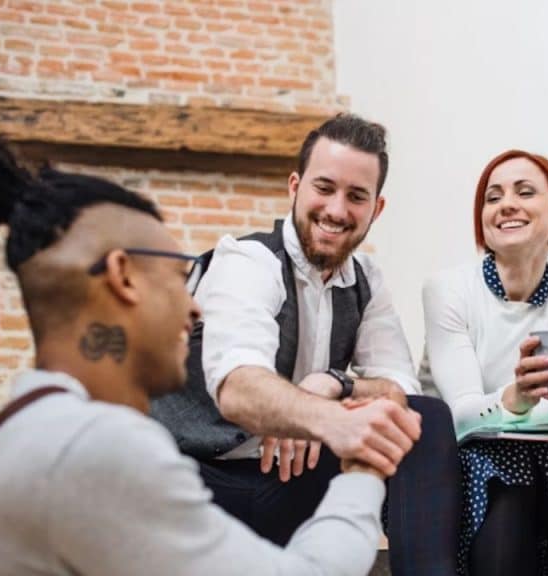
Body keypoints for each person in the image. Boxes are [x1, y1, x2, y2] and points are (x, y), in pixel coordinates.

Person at [0, 127, 422, 575]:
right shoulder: (96, 448)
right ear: (123, 278)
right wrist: (362, 470)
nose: (195, 307)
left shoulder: (31, 425)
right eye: (177, 276)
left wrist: (337, 387)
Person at [149, 113, 461, 575]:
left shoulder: (367, 282)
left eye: (356, 196)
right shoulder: (248, 261)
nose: (337, 210)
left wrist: (334, 384)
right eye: (324, 188)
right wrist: (322, 419)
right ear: (294, 187)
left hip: (290, 485)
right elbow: (238, 387)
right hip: (203, 485)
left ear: (376, 209)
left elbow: (400, 388)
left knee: (426, 418)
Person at [420, 150, 548, 575]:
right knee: (507, 502)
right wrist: (515, 397)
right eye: (493, 197)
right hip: (465, 455)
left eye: (524, 192)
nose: (506, 204)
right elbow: (462, 419)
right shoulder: (447, 290)